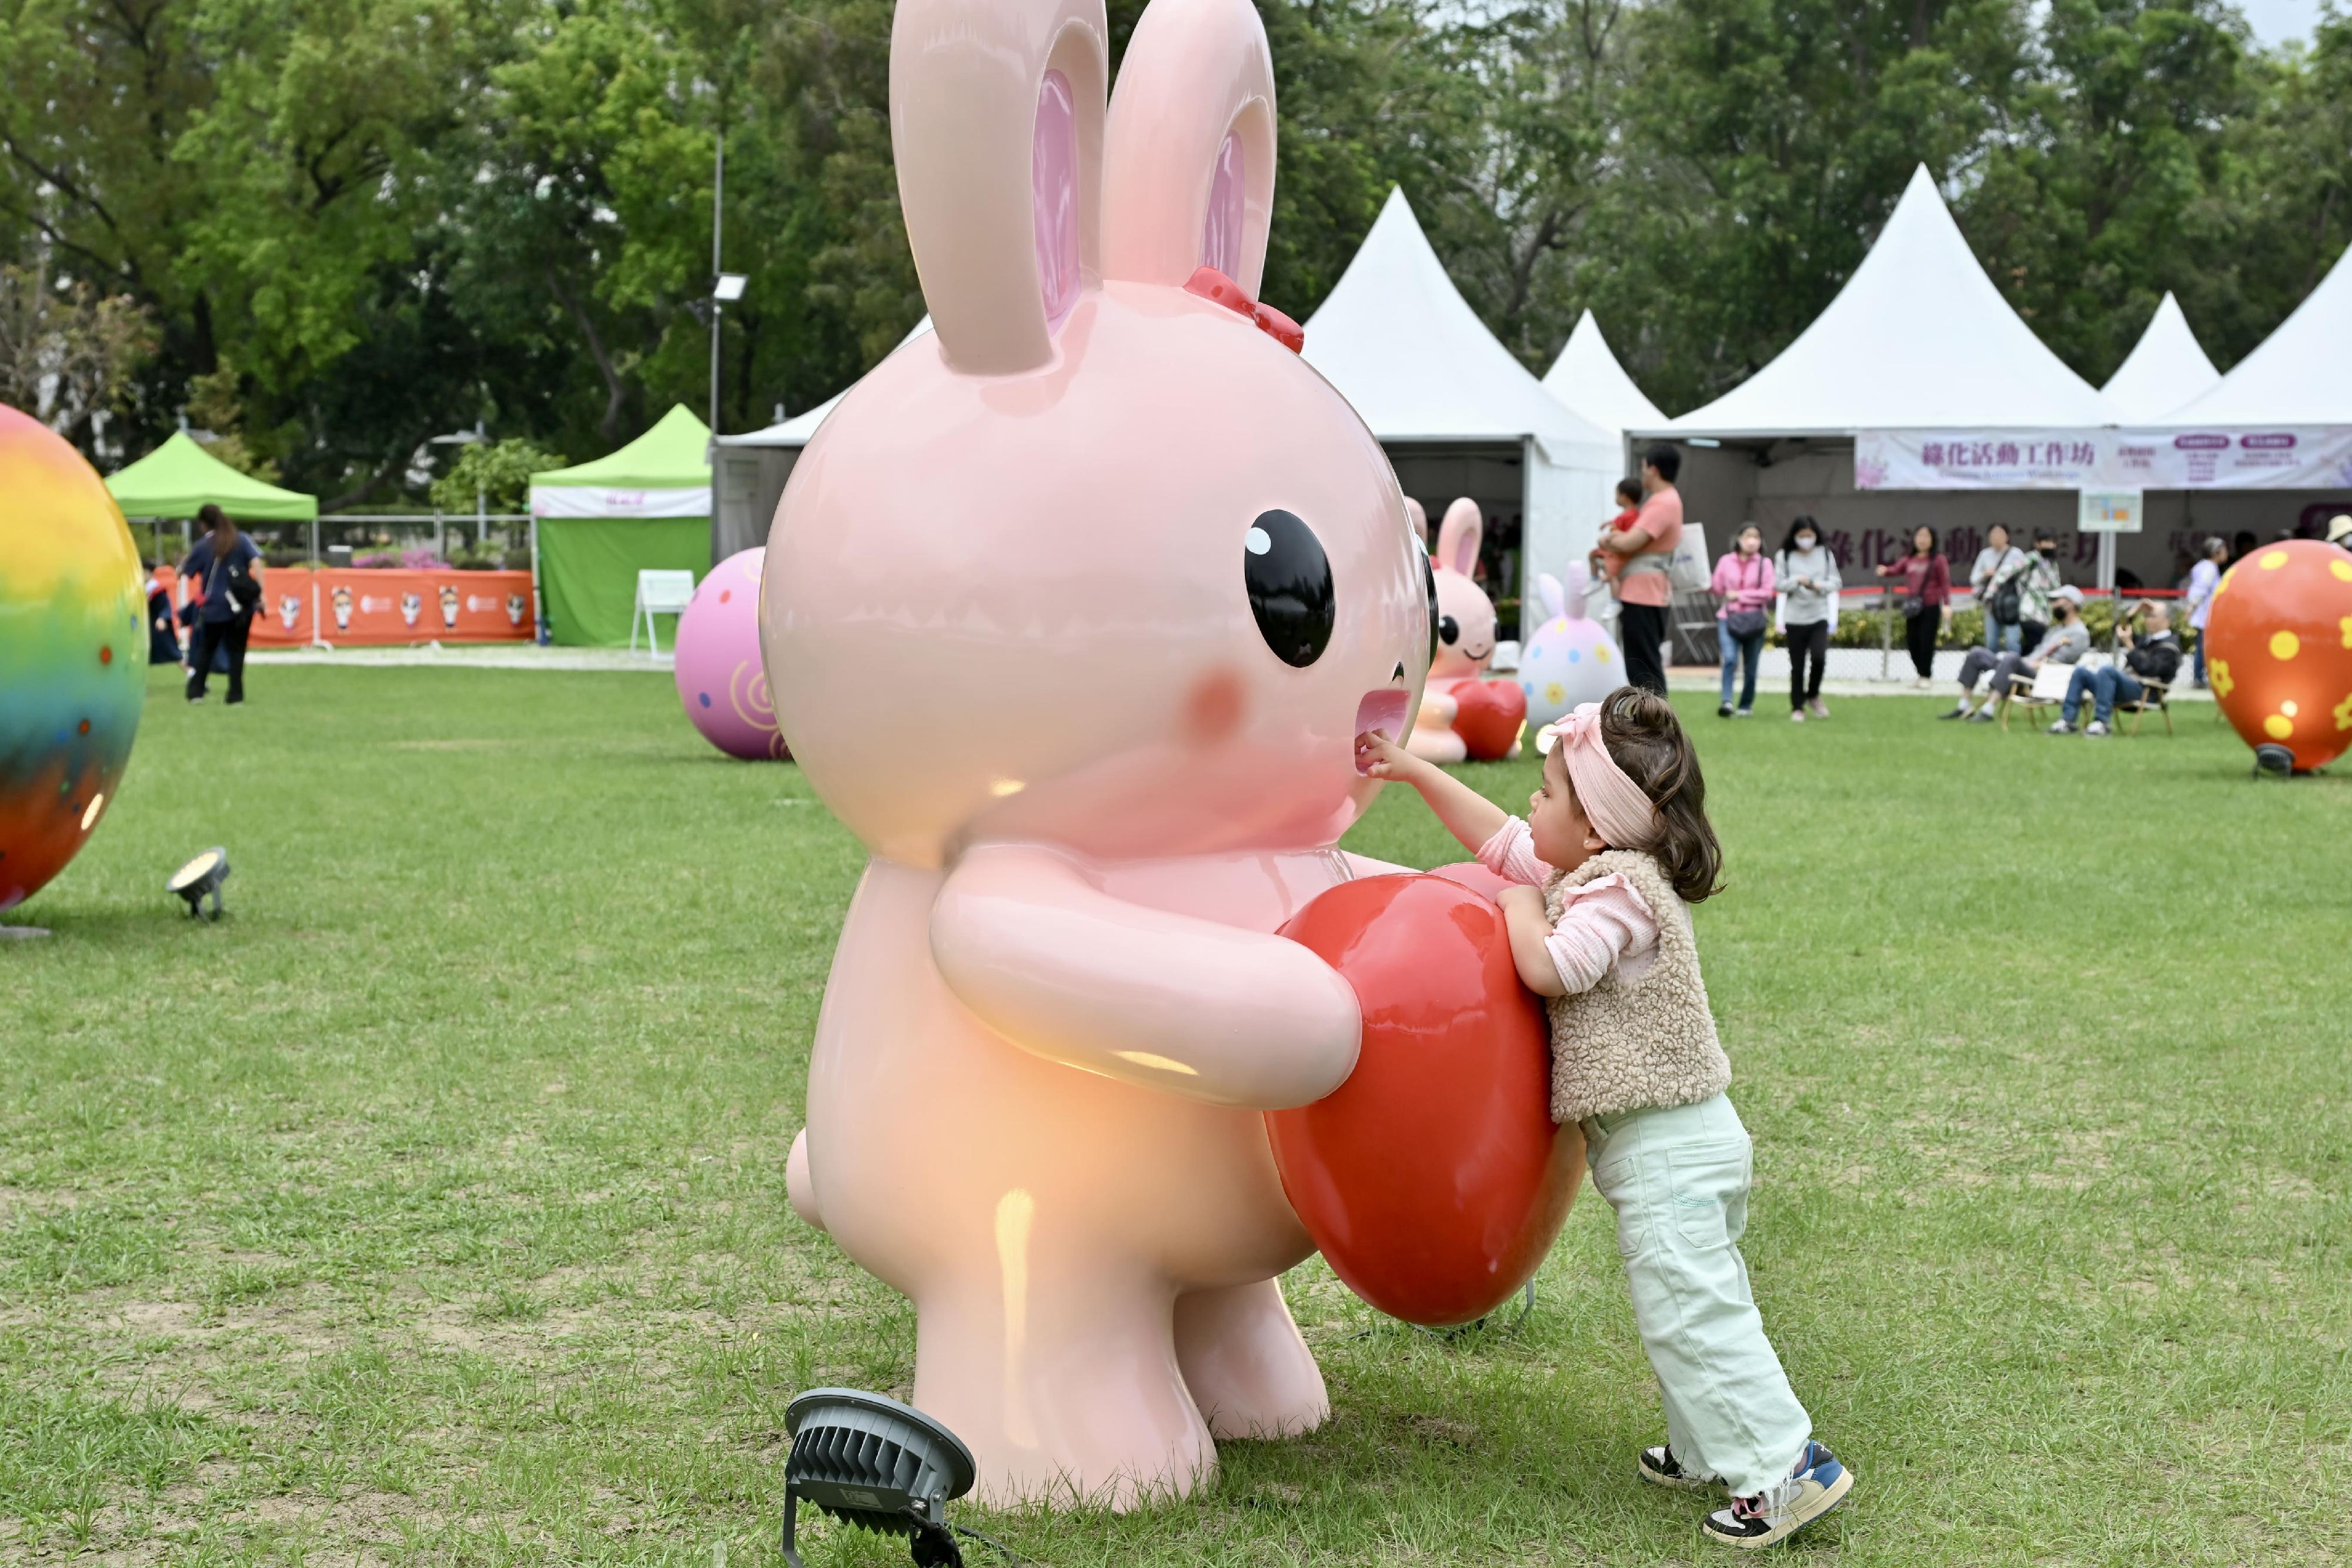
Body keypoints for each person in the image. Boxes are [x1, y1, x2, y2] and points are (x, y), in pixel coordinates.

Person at [1357, 692, 1852, 1550]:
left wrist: (1516, 912)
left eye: (1547, 793)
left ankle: (1785, 1467)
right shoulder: (1587, 870)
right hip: (1682, 1140)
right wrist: (1414, 772)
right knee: (1696, 1299)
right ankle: (1707, 1446)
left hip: (1670, 1150)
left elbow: (1557, 969)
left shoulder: (1618, 893)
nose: (1531, 806)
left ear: (1594, 830)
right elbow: (1498, 839)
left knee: (1692, 1313)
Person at [1598, 445, 1685, 697]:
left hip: (1644, 593)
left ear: (1654, 469)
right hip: (1646, 591)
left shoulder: (1662, 503)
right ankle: (1652, 725)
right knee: (1642, 665)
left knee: (1643, 667)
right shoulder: (1665, 501)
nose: (1642, 473)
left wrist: (1607, 541)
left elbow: (1629, 543)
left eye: (1644, 467)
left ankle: (1656, 726)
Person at [1941, 585, 2087, 721]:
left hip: (2043, 676)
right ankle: (1963, 705)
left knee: (2012, 658)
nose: (2053, 605)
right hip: (2025, 666)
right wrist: (2024, 662)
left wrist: (2024, 663)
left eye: (2057, 601)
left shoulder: (2079, 633)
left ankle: (1988, 710)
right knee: (1977, 653)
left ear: (2071, 604)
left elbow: (2059, 665)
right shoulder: (2057, 629)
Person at [2050, 601, 2182, 735]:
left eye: (2152, 616)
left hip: (2145, 692)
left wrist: (2130, 645)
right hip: (2123, 687)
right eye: (2146, 616)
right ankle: (2067, 721)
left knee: (2108, 671)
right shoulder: (2147, 640)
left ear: (2167, 620)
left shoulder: (2170, 648)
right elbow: (2118, 629)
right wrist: (2135, 610)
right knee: (2081, 673)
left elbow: (2148, 669)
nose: (2147, 619)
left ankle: (2102, 723)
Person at [178, 503, 263, 704]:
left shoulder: (204, 545)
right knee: (237, 651)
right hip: (241, 606)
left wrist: (181, 566)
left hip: (214, 606)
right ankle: (235, 696)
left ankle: (196, 692)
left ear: (204, 523)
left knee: (206, 649)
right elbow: (257, 562)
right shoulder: (241, 539)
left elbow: (185, 571)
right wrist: (261, 594)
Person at [1776, 516, 1840, 722]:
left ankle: (1813, 694)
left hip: (1819, 614)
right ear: (1794, 537)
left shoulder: (1825, 554)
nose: (1806, 540)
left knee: (1819, 658)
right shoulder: (1784, 556)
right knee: (1797, 665)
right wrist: (1796, 581)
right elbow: (1779, 584)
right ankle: (1798, 706)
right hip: (1794, 617)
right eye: (1802, 536)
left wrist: (1817, 585)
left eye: (1809, 536)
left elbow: (1836, 582)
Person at [1710, 524, 1775, 718]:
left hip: (1755, 619)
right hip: (1728, 617)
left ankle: (1746, 705)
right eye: (1749, 536)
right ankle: (1727, 701)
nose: (1753, 540)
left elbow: (1767, 593)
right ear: (1739, 538)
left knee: (1751, 666)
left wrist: (1739, 595)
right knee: (1729, 659)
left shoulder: (1765, 563)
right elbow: (1718, 588)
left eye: (1757, 536)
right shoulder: (1726, 561)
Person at [1875, 525, 1950, 688]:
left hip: (1931, 606)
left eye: (1926, 536)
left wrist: (1947, 605)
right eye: (1919, 536)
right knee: (1912, 641)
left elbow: (1945, 583)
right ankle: (1920, 672)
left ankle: (1926, 675)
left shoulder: (1938, 559)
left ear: (1932, 540)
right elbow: (1896, 569)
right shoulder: (1909, 559)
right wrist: (1885, 570)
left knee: (1926, 641)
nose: (1922, 540)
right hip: (1913, 607)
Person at [1969, 523, 2029, 654]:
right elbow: (1973, 579)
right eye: (1993, 535)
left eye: (2000, 534)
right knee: (1991, 642)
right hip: (1992, 604)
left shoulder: (2016, 554)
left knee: (2012, 642)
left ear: (2007, 536)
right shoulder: (1985, 555)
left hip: (2011, 603)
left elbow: (2026, 578)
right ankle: (1991, 672)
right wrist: (1985, 574)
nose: (1996, 537)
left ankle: (2013, 670)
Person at [2183, 536, 2226, 688]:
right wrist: (2191, 608)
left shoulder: (2203, 566)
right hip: (2205, 616)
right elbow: (2200, 589)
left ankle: (2200, 677)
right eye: (2224, 550)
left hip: (2204, 615)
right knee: (2204, 648)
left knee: (2203, 647)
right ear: (2216, 552)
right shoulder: (2209, 568)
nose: (2226, 553)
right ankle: (2199, 678)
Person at [1591, 477, 1643, 597]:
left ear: (1624, 497)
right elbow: (1618, 523)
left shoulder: (1632, 516)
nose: (1615, 498)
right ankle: (1595, 580)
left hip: (1620, 553)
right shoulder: (1627, 514)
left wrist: (1614, 534)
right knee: (1593, 555)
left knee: (1613, 576)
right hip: (1614, 550)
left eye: (1617, 495)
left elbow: (1630, 533)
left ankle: (1615, 600)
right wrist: (1609, 523)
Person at [2016, 531, 2064, 652]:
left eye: (2052, 542)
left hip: (2045, 614)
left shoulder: (2052, 563)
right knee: (2035, 643)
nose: (2049, 545)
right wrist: (1991, 591)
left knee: (2037, 644)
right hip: (2030, 611)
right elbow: (2010, 572)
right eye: (2046, 542)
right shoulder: (2031, 558)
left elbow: (2056, 586)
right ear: (2037, 544)